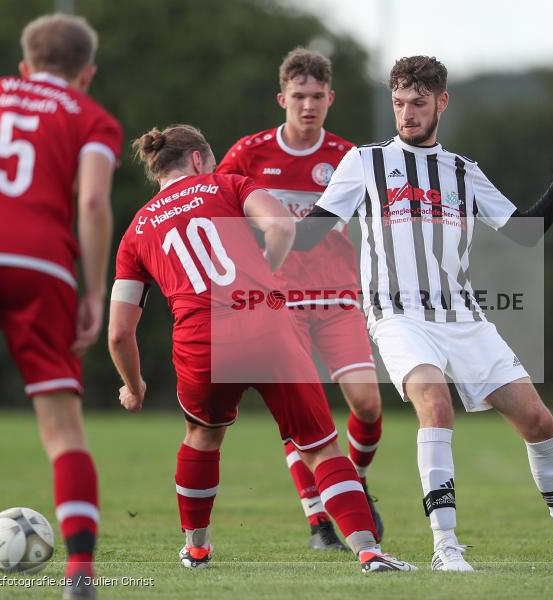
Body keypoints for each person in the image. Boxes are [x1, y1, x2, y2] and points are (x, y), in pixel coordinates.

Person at [292, 55, 553, 570]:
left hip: (464, 317)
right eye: (399, 103)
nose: (407, 113)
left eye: (418, 103)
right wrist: (257, 217)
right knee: (435, 404)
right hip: (398, 316)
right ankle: (446, 546)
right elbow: (311, 232)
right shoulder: (364, 163)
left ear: (442, 102)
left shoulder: (462, 171)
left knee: (538, 421)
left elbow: (526, 233)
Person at [107, 124, 415, 573]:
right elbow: (282, 227)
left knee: (202, 437)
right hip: (266, 321)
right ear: (198, 160)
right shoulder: (227, 185)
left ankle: (196, 549)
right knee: (320, 447)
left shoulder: (136, 230)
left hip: (201, 338)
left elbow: (119, 333)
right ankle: (370, 552)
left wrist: (133, 387)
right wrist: (265, 276)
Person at [0, 14, 120, 599]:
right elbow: (92, 202)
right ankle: (80, 570)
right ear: (87, 73)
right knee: (62, 430)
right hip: (42, 262)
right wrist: (94, 291)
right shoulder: (92, 116)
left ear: (24, 65)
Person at [217, 47, 384, 551]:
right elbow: (218, 211)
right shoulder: (249, 153)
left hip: (338, 297)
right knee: (302, 414)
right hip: (279, 303)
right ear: (282, 98)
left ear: (331, 98)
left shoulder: (349, 158)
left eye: (317, 96)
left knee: (367, 405)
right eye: (298, 96)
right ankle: (318, 521)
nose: (308, 105)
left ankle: (353, 481)